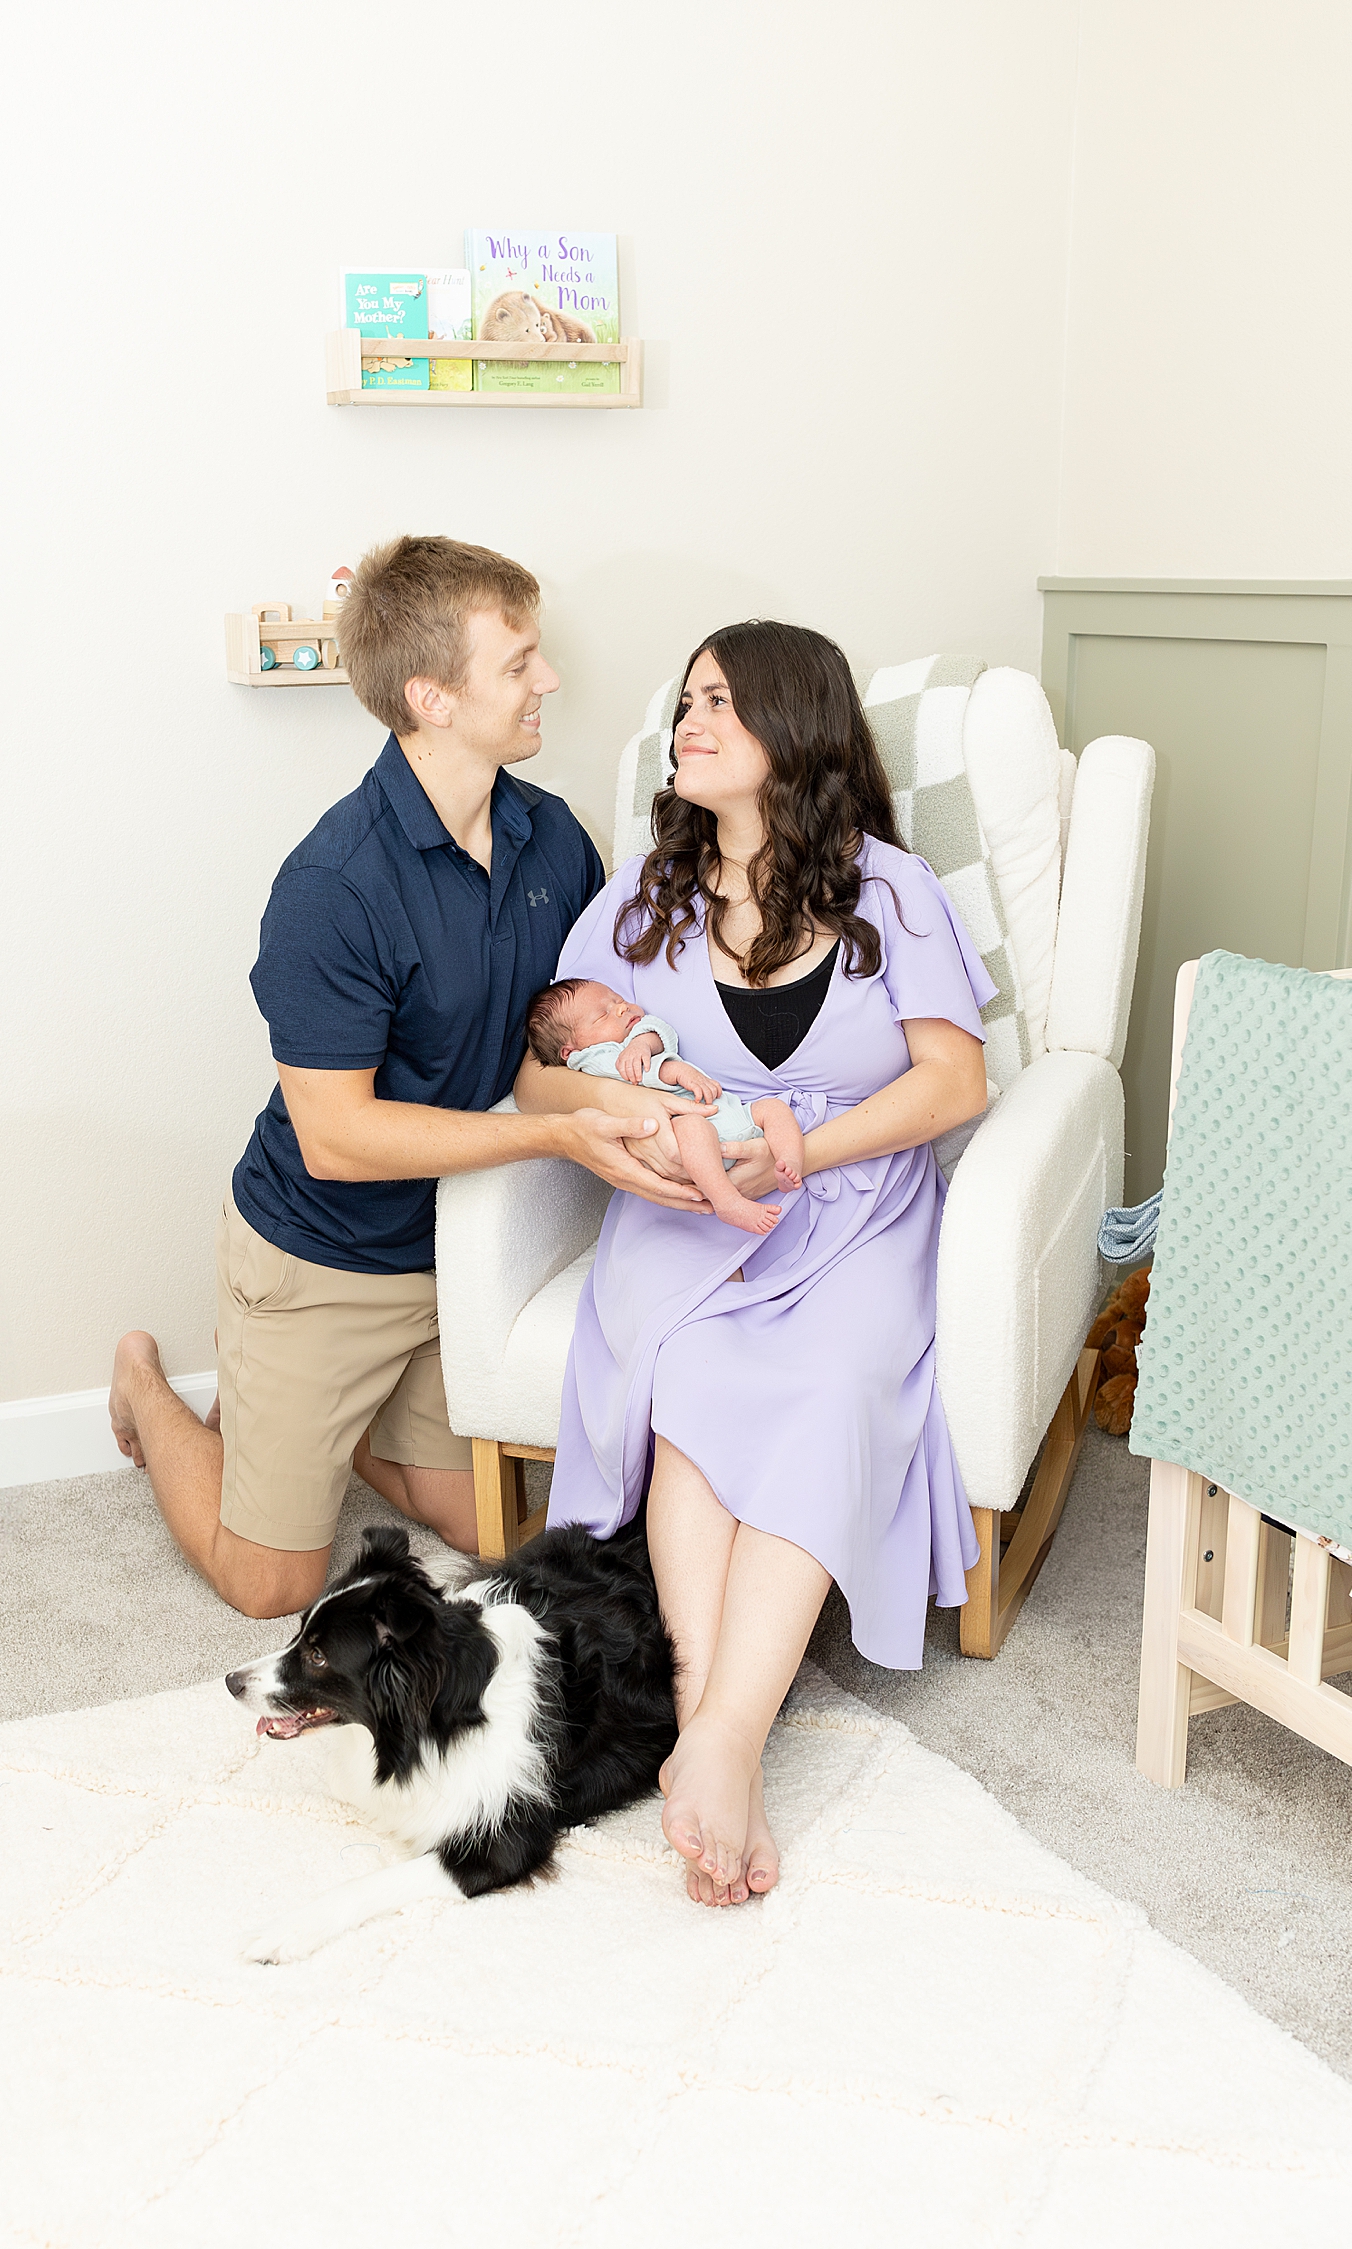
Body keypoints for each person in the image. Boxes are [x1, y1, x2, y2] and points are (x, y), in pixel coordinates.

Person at [108, 536, 717, 1621]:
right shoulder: (331, 889)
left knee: (499, 1531)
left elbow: (548, 1055)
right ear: (432, 697)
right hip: (321, 1255)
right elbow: (338, 1139)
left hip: (454, 1252)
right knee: (271, 1582)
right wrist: (558, 1139)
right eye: (521, 663)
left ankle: (348, 1427)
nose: (552, 682)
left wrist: (630, 1099)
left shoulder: (551, 841)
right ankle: (148, 1387)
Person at [515, 619, 992, 1909]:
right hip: (692, 1217)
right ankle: (702, 1711)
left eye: (719, 701)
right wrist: (615, 1147)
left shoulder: (892, 891)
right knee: (692, 1403)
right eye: (684, 702)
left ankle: (724, 1735)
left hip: (853, 1209)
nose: (688, 722)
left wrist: (807, 1153)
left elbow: (956, 1079)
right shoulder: (639, 895)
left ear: (796, 723)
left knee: (834, 1388)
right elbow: (545, 1064)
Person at [525, 977, 805, 1233]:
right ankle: (727, 1202)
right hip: (695, 1137)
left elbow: (659, 1030)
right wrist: (678, 1071)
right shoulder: (589, 1059)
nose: (621, 1008)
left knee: (773, 1109)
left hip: (731, 1116)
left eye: (617, 1000)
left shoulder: (634, 1041)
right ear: (569, 1051)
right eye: (603, 1014)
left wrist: (643, 1044)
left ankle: (788, 1162)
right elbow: (637, 1072)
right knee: (693, 1128)